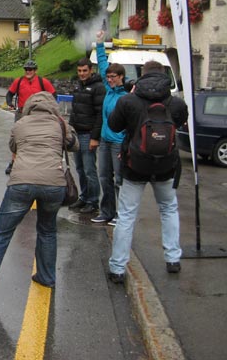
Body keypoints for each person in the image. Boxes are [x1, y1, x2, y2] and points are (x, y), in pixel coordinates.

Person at [0, 92, 78, 296]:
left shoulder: (20, 124)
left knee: (0, 233)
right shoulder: (60, 124)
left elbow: (13, 147)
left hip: (22, 183)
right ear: (53, 106)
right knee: (47, 230)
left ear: (29, 107)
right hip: (53, 184)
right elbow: (74, 145)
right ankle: (46, 277)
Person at [107, 60, 188, 284]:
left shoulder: (129, 100)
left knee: (126, 216)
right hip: (166, 166)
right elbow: (180, 122)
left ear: (143, 74)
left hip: (135, 164)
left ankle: (117, 268)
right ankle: (173, 258)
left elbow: (114, 125)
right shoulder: (176, 103)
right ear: (163, 76)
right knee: (169, 209)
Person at [75, 30, 127, 221]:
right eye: (109, 76)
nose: (111, 79)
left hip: (119, 143)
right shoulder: (108, 90)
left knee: (119, 180)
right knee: (105, 178)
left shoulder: (125, 96)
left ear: (121, 77)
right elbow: (103, 64)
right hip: (105, 141)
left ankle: (121, 215)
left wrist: (126, 144)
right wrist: (99, 44)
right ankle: (106, 212)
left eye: (114, 76)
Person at [4, 59, 56, 174]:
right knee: (17, 137)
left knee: (39, 137)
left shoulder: (43, 82)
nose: (28, 71)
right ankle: (13, 162)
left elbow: (53, 95)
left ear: (35, 70)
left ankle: (38, 163)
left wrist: (49, 108)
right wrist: (10, 103)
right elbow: (9, 94)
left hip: (38, 114)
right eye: (26, 69)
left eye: (30, 69)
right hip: (22, 112)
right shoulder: (19, 81)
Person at [68, 58, 105, 216]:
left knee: (90, 170)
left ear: (91, 70)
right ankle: (84, 197)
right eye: (79, 71)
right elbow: (74, 110)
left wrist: (95, 137)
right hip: (77, 133)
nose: (82, 74)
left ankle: (93, 201)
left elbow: (99, 115)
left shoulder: (98, 87)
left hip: (89, 134)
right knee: (80, 169)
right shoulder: (78, 86)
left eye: (84, 71)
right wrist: (69, 130)